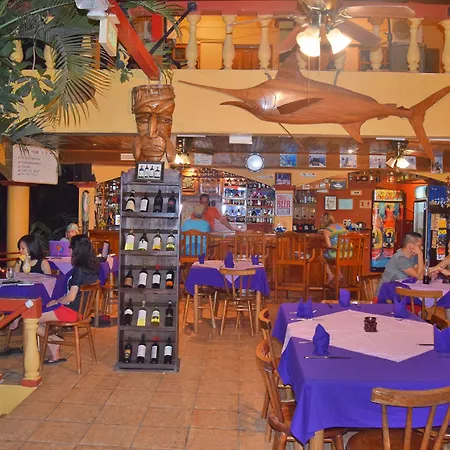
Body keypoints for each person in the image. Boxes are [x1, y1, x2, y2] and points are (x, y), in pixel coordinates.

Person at [39, 234, 99, 364]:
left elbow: (70, 297)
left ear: (75, 250)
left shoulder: (79, 270)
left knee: (30, 319)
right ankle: (54, 348)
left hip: (71, 311)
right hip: (82, 311)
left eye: (70, 248)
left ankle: (55, 340)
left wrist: (56, 302)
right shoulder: (93, 268)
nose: (69, 250)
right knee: (37, 317)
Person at [320, 212, 348, 284]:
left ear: (323, 221)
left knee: (321, 256)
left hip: (337, 253)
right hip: (347, 253)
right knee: (336, 256)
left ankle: (330, 275)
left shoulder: (326, 230)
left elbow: (329, 246)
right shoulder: (340, 225)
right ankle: (339, 274)